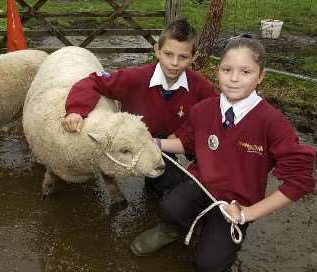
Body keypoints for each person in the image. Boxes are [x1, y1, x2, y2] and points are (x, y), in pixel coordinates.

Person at [130, 36, 316, 271]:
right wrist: (154, 142)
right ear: (218, 71)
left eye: (246, 72)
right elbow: (188, 142)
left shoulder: (272, 122)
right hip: (203, 183)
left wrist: (248, 213)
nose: (234, 79)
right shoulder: (203, 109)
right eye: (227, 69)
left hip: (236, 204)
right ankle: (171, 230)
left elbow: (299, 180)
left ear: (261, 76)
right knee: (170, 206)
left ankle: (217, 234)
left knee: (209, 264)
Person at [61, 18, 218, 197]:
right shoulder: (134, 78)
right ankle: (156, 184)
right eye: (168, 54)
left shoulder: (200, 86)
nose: (174, 63)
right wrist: (75, 110)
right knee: (165, 181)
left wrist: (183, 133)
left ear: (194, 57)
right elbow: (94, 81)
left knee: (177, 183)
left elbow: (216, 112)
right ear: (157, 51)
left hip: (170, 142)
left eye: (183, 57)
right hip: (138, 141)